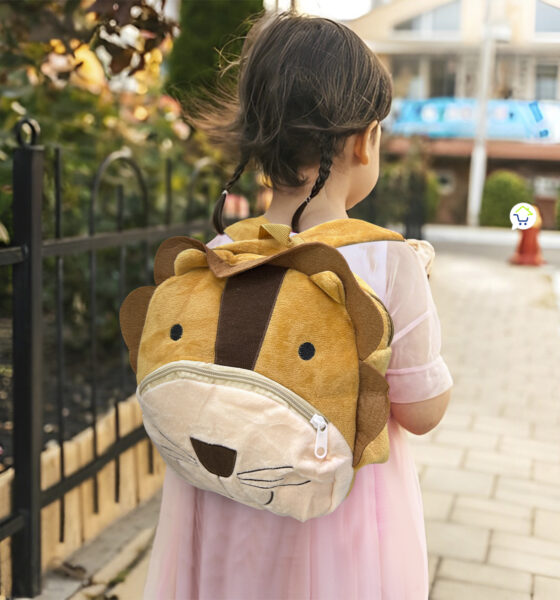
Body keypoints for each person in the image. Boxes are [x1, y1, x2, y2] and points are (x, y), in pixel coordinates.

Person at [144, 12, 452, 599]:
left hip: (226, 515)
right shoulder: (389, 263)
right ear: (364, 140)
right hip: (340, 526)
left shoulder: (218, 254)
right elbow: (422, 412)